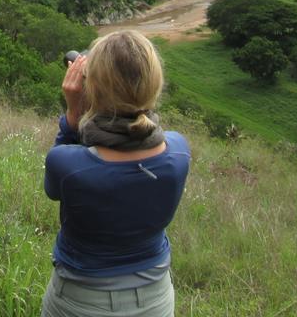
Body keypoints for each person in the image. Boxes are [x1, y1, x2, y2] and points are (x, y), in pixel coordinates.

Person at [41, 30, 191, 317]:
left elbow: (54, 190)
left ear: (92, 90)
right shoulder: (179, 152)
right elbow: (142, 137)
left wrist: (73, 116)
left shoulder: (68, 165)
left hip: (78, 302)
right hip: (155, 300)